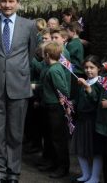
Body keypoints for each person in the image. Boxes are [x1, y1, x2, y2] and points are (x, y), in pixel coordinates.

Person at [0, 0, 37, 183]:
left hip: (18, 86)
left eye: (11, 1)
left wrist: (17, 70)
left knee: (15, 131)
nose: (7, 5)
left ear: (18, 3)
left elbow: (31, 53)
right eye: (4, 1)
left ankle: (13, 171)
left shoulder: (29, 26)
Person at [40, 42, 71, 178]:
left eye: (44, 54)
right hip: (49, 106)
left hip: (55, 108)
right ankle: (53, 163)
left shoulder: (54, 70)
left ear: (47, 55)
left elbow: (63, 88)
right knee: (51, 137)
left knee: (58, 139)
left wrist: (63, 98)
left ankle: (62, 167)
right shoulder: (52, 67)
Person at [73, 55, 103, 183]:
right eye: (86, 67)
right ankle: (86, 174)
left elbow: (96, 100)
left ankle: (95, 177)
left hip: (93, 121)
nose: (88, 70)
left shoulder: (100, 83)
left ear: (99, 69)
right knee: (80, 148)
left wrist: (87, 88)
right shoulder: (83, 81)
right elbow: (79, 99)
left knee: (95, 150)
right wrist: (71, 104)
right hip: (81, 119)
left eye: (92, 67)